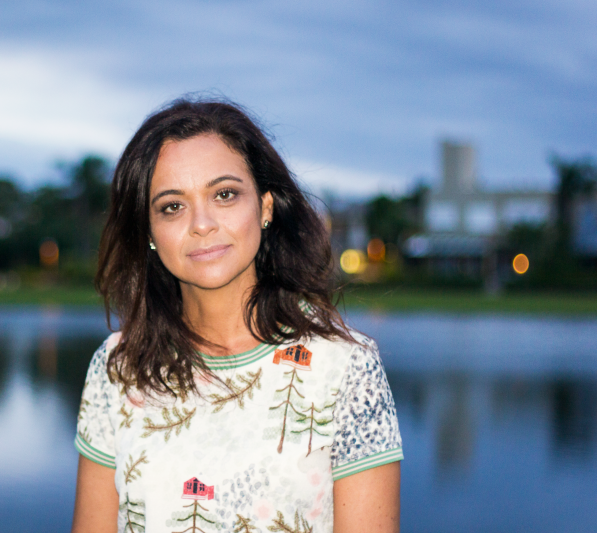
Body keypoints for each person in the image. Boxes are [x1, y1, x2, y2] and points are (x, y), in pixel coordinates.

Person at [71, 98, 402, 533]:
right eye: (172, 206)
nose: (202, 223)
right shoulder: (118, 368)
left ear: (265, 207)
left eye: (224, 194)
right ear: (148, 231)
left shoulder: (347, 368)